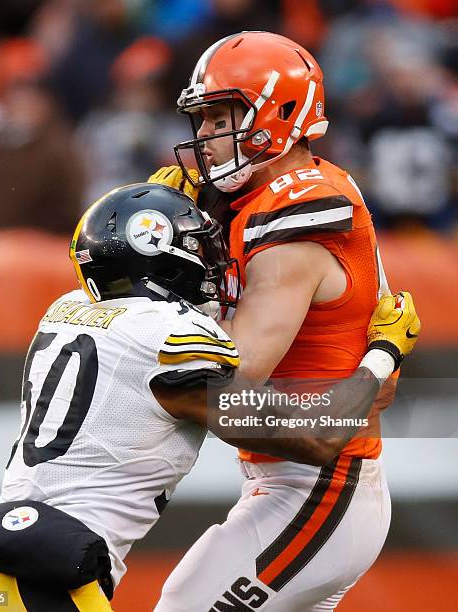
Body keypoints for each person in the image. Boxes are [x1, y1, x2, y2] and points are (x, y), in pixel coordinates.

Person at [0, 183, 419, 611]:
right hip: (47, 584)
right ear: (165, 261)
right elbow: (313, 438)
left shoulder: (67, 309)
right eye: (199, 250)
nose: (213, 266)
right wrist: (381, 357)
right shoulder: (169, 341)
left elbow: (111, 256)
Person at [147, 32, 419, 611]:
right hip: (293, 482)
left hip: (319, 488)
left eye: (219, 117)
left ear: (278, 112)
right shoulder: (256, 199)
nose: (204, 139)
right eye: (201, 121)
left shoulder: (297, 213)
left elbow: (232, 376)